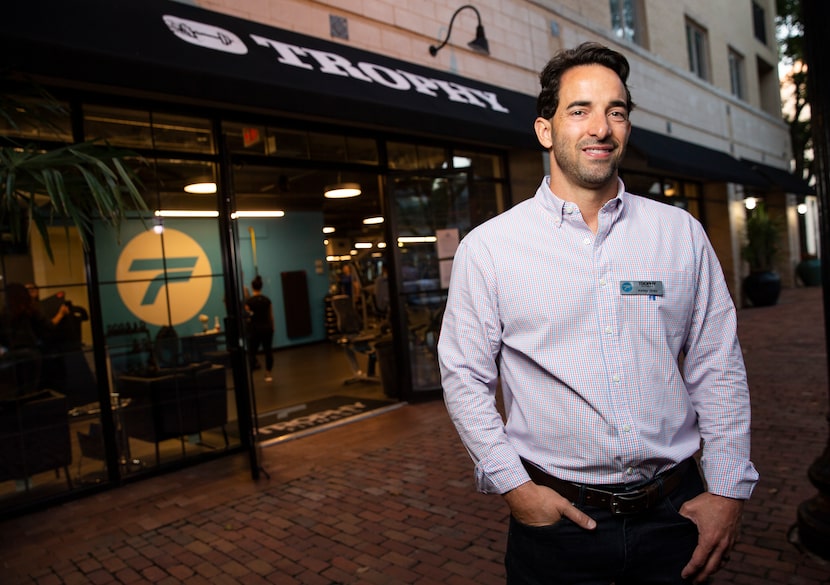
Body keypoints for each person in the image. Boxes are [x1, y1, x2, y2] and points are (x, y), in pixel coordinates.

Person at [438, 42, 758, 585]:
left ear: (627, 127)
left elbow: (716, 362)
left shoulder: (679, 234)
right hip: (556, 525)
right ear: (546, 130)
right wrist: (514, 488)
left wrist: (726, 489)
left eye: (616, 111)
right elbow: (464, 378)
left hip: (673, 514)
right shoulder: (490, 249)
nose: (600, 127)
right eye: (579, 110)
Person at [244, 275, 274, 383]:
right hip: (267, 328)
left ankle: (250, 375)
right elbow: (271, 316)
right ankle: (268, 373)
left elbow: (246, 315)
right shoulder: (267, 300)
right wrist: (272, 327)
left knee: (252, 352)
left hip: (254, 330)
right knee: (268, 351)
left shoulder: (249, 302)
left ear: (252, 287)